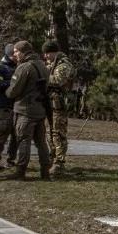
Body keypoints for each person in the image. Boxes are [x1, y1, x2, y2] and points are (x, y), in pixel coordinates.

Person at [5, 40, 51, 180]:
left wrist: (6, 92)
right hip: (40, 110)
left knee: (23, 140)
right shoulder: (43, 65)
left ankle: (20, 171)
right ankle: (45, 171)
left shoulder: (24, 67)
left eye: (16, 52)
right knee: (41, 142)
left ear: (23, 51)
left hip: (25, 110)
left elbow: (13, 91)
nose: (15, 55)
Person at [42, 40, 75, 175]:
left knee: (58, 133)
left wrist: (43, 76)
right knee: (50, 133)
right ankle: (52, 156)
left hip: (59, 105)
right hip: (50, 103)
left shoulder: (64, 65)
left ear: (54, 52)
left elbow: (58, 80)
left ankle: (59, 162)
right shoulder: (52, 64)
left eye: (47, 53)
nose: (45, 56)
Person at [0, 44, 18, 169]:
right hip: (5, 106)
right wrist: (14, 83)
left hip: (17, 106)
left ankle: (11, 160)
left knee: (16, 136)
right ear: (8, 55)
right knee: (2, 134)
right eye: (13, 55)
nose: (16, 57)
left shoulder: (18, 66)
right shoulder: (0, 67)